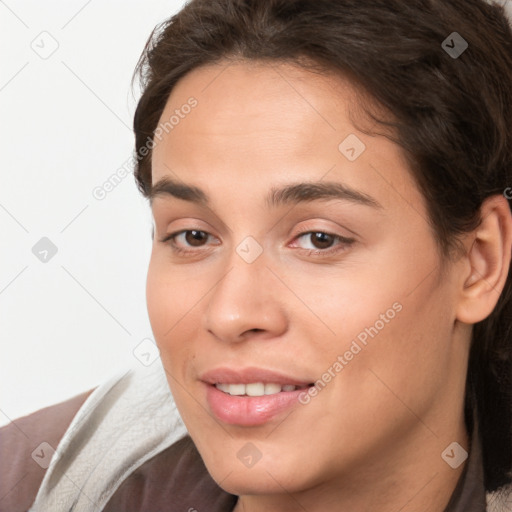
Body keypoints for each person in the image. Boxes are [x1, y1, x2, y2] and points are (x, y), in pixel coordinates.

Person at [2, 0, 512, 510]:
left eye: (319, 239)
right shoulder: (33, 484)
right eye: (193, 236)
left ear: (479, 263)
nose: (230, 314)